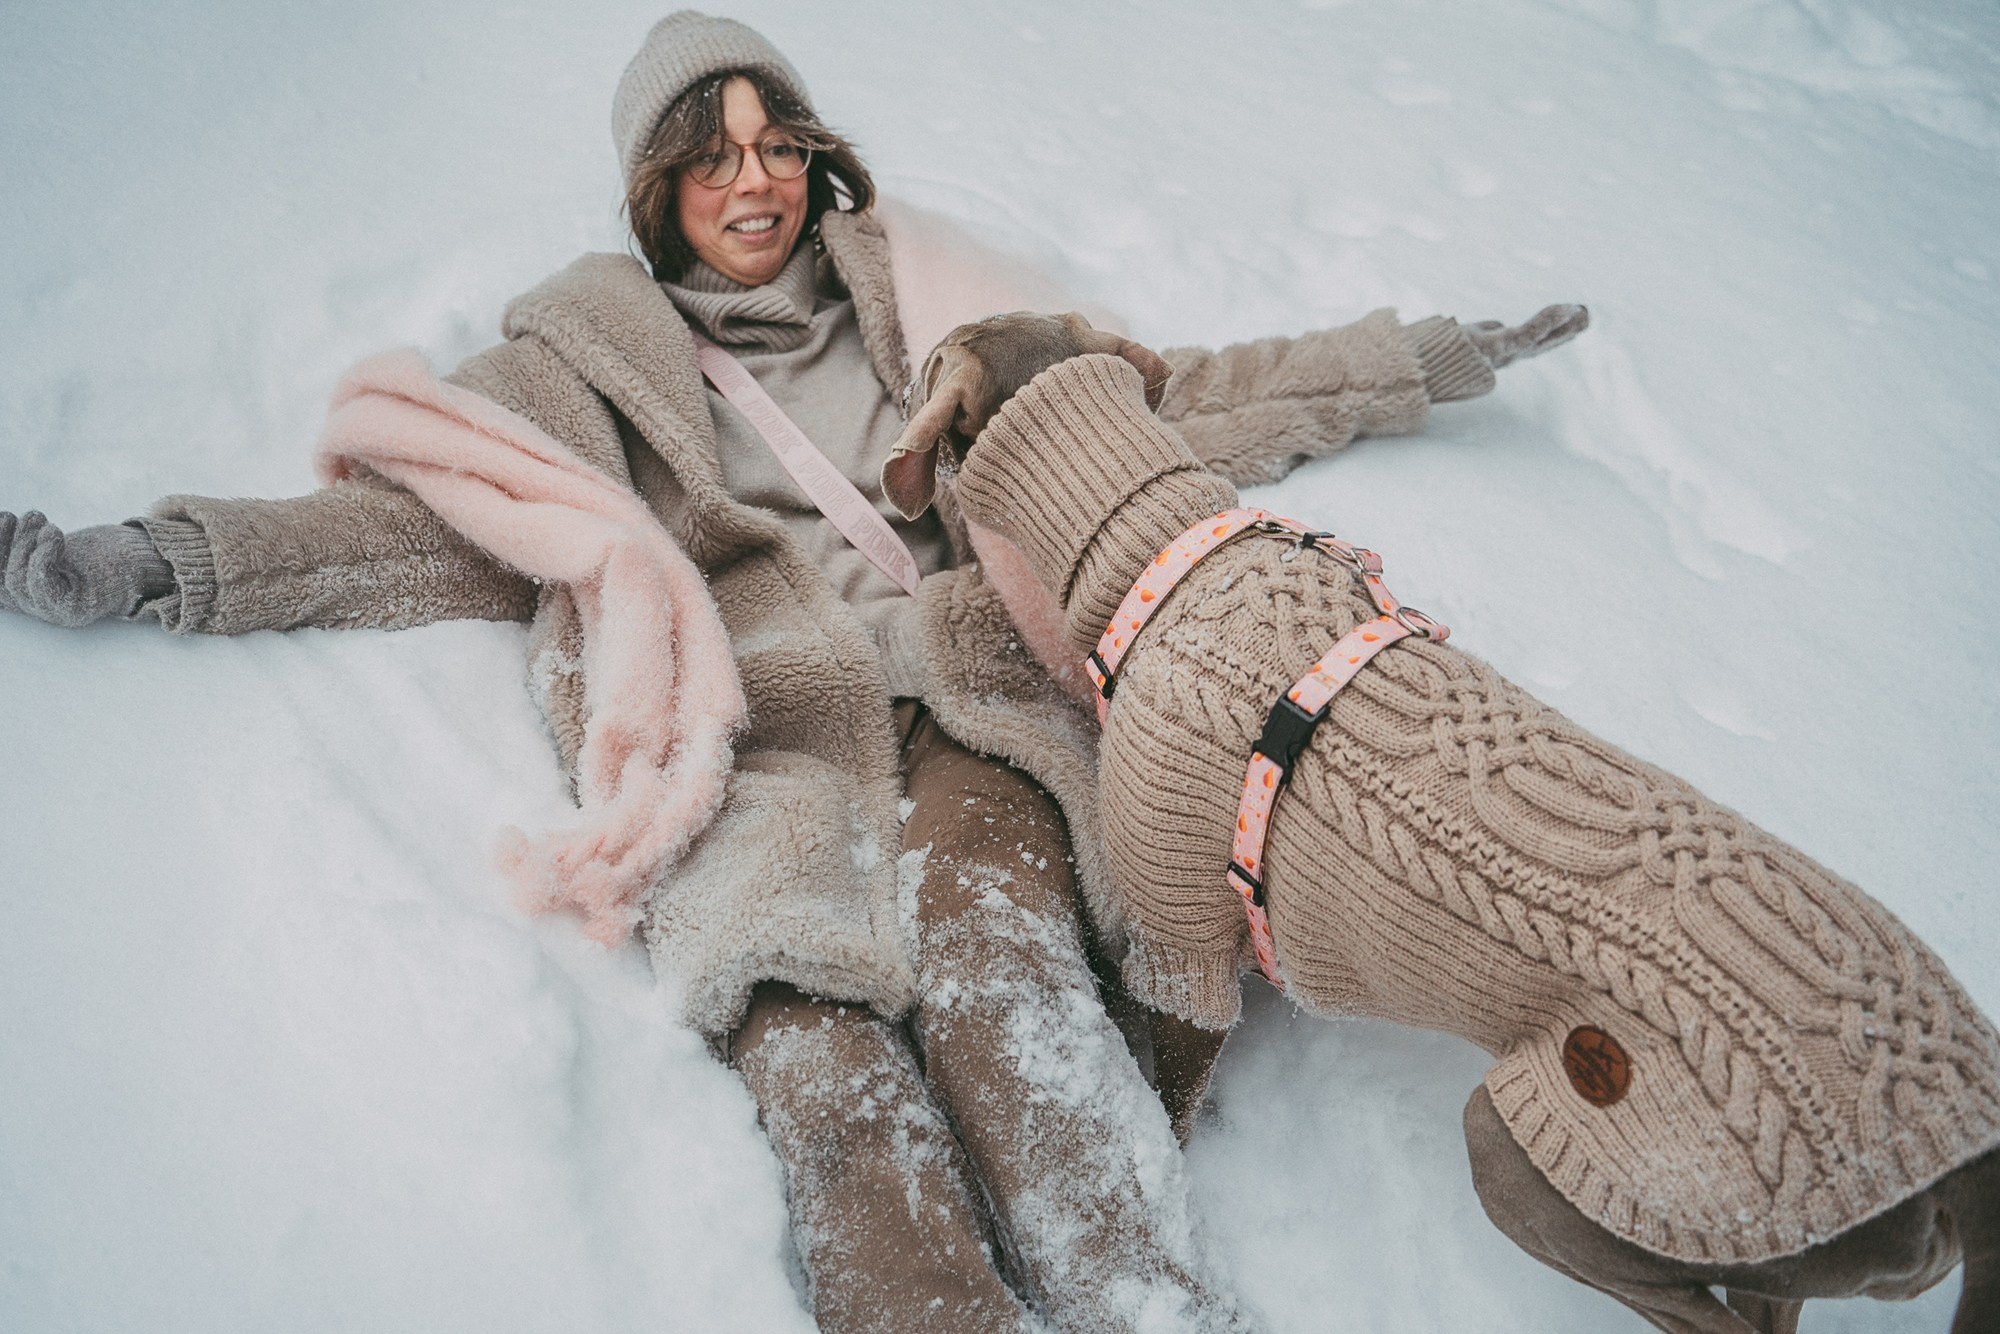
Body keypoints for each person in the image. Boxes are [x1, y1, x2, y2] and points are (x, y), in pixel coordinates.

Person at [0, 12, 1583, 1331]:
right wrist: (156, 560)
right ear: (655, 186)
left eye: (778, 142)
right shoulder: (580, 375)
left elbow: (1173, 407)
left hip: (969, 701)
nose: (753, 180)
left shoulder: (936, 307)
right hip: (743, 748)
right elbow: (404, 529)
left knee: (1001, 970)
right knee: (823, 1073)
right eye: (711, 152)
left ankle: (1140, 1300)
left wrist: (1411, 360)